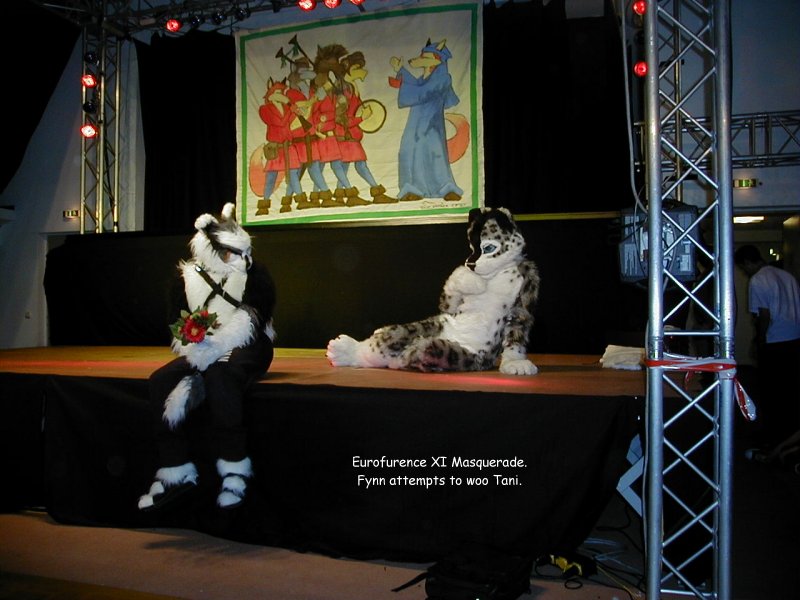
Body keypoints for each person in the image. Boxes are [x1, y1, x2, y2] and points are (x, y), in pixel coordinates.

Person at [138, 203, 276, 512]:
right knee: (161, 380)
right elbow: (177, 321)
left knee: (221, 375)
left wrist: (216, 347)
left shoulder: (255, 275)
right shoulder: (185, 278)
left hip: (249, 344)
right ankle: (175, 468)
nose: (242, 260)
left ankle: (235, 468)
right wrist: (193, 343)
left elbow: (253, 318)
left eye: (244, 252)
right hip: (201, 348)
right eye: (232, 253)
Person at [734, 244, 800, 454]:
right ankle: (789, 431)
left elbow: (764, 316)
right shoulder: (787, 276)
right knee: (790, 389)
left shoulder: (758, 280)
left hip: (775, 340)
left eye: (743, 268)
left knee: (771, 391)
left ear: (747, 263)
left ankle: (772, 435)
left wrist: (759, 341)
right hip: (794, 337)